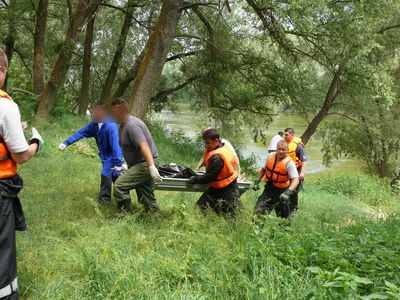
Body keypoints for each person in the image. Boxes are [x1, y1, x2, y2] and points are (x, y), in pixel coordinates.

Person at [0, 49, 44, 300]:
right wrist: (37, 142)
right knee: (2, 254)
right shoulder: (5, 106)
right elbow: (20, 155)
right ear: (3, 71)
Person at [59, 103, 124, 203]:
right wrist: (66, 143)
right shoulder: (94, 125)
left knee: (107, 174)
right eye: (92, 113)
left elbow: (115, 146)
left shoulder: (111, 126)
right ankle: (119, 198)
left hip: (114, 156)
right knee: (115, 176)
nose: (92, 115)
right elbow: (81, 133)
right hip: (105, 156)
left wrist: (118, 162)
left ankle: (105, 200)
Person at [110, 98, 162, 213]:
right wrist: (125, 163)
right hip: (139, 164)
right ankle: (154, 216)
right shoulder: (122, 125)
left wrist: (151, 167)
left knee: (120, 186)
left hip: (144, 164)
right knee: (145, 194)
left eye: (114, 113)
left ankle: (125, 215)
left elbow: (144, 146)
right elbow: (128, 147)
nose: (112, 115)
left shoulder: (132, 125)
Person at [189, 128, 242, 216]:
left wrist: (195, 179)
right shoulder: (221, 147)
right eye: (205, 143)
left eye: (208, 143)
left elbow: (210, 177)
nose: (206, 145)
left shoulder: (217, 157)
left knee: (232, 218)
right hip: (217, 187)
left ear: (216, 140)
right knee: (199, 209)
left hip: (227, 189)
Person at [254, 140, 299, 218]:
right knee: (259, 211)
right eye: (279, 149)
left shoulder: (289, 163)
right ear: (276, 149)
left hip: (282, 191)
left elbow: (296, 180)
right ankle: (257, 228)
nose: (281, 151)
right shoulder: (270, 156)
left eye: (283, 149)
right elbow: (263, 170)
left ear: (287, 151)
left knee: (283, 217)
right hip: (269, 189)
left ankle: (284, 228)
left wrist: (288, 192)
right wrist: (257, 181)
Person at [284, 128, 307, 211]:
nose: (285, 136)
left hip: (297, 172)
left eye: (286, 135)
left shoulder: (298, 146)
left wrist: (302, 173)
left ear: (292, 135)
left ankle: (294, 210)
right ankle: (286, 209)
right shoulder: (284, 144)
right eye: (284, 134)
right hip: (286, 172)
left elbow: (304, 160)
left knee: (293, 192)